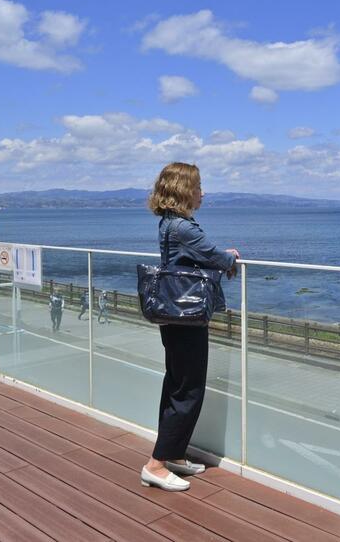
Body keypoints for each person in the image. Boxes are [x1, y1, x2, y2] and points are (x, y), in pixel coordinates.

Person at [141, 162, 240, 492]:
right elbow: (213, 256)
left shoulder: (169, 224)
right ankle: (155, 464)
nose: (203, 192)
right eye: (198, 187)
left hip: (174, 316)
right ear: (185, 191)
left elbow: (196, 255)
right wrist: (231, 259)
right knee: (188, 388)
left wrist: (218, 256)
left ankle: (174, 455)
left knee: (176, 384)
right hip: (186, 319)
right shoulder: (183, 228)